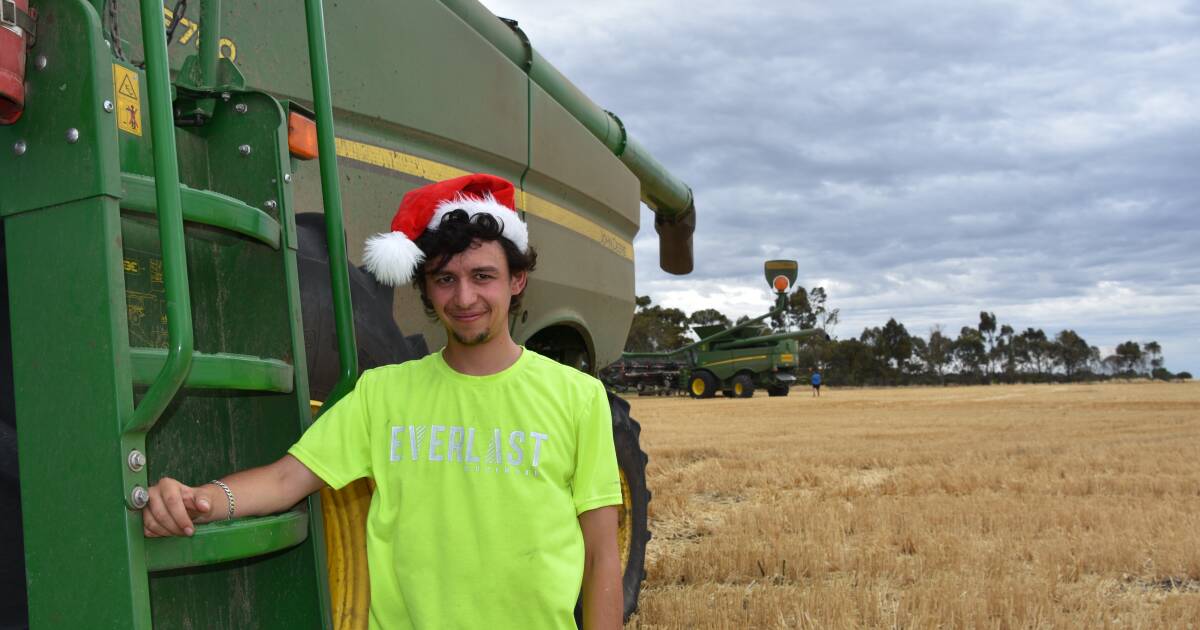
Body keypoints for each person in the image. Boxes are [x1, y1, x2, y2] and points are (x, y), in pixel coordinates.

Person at [143, 174, 624, 630]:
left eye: (483, 276)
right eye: (444, 279)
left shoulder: (578, 398)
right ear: (425, 288)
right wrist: (201, 500)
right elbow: (286, 479)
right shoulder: (383, 393)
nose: (464, 296)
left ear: (516, 280)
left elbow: (602, 554)